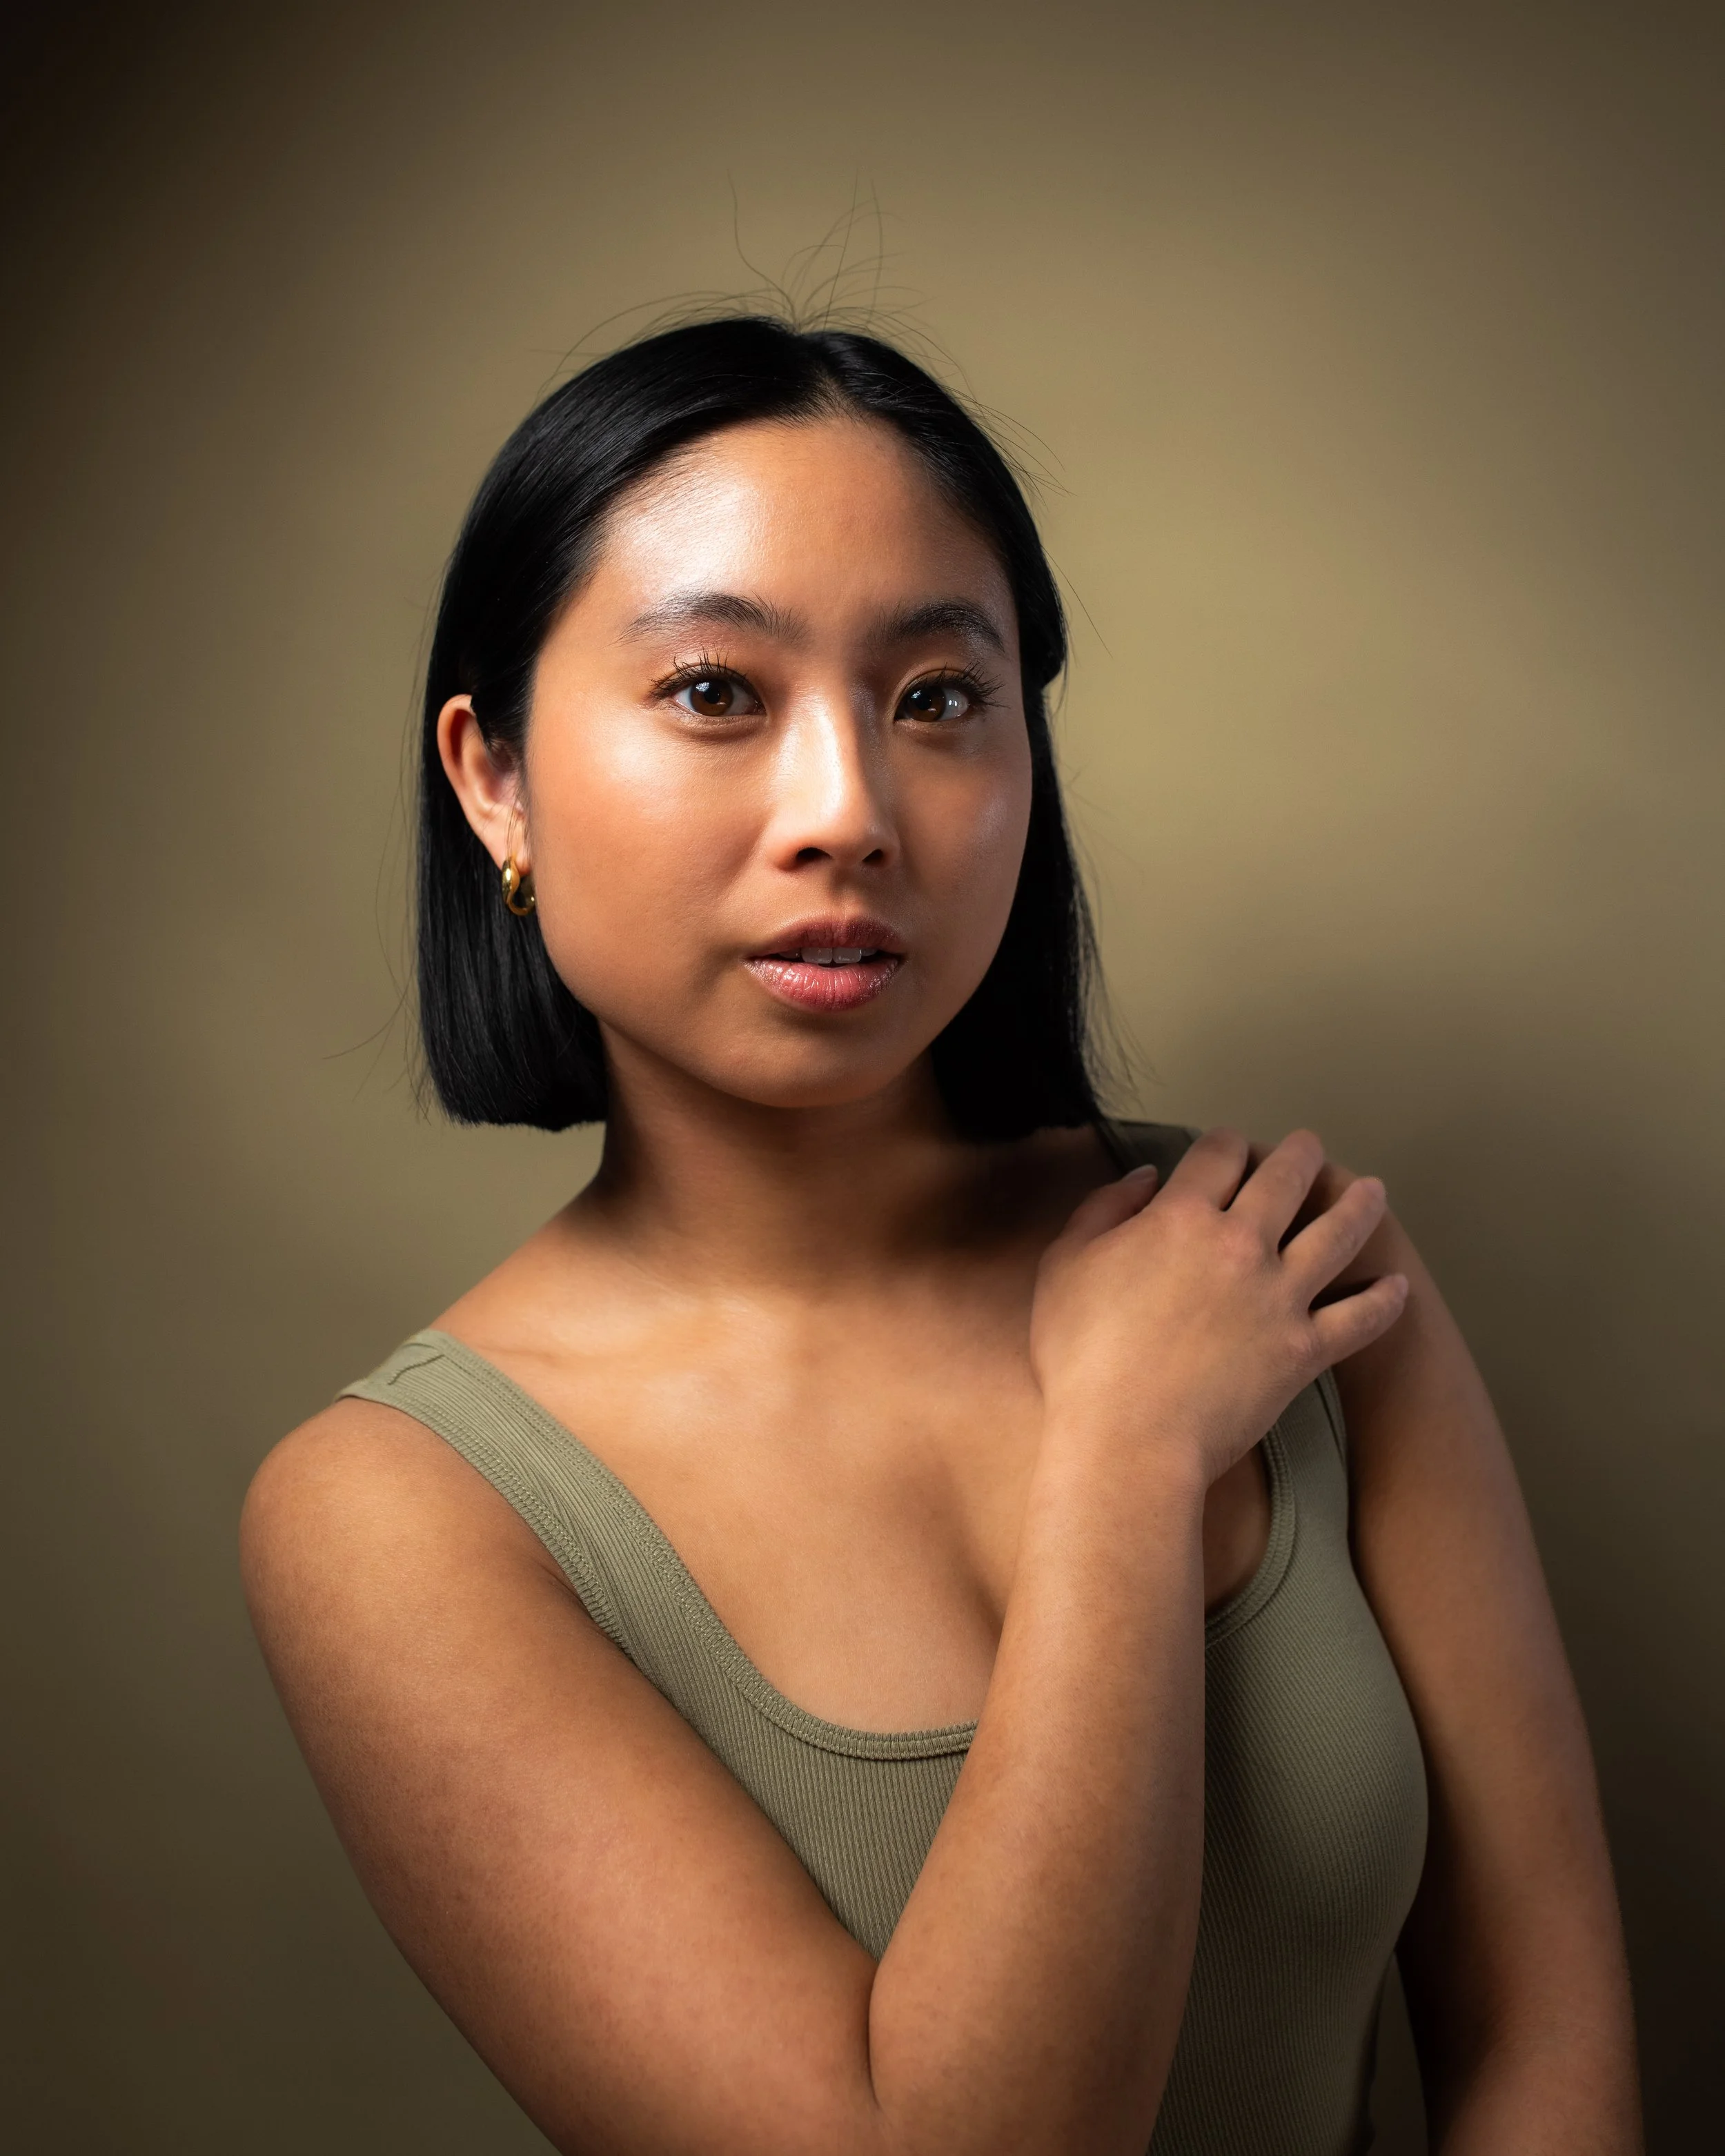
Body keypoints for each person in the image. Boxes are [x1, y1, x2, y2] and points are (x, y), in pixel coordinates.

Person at [241, 316, 1639, 2155]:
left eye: (933, 698)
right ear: (493, 774)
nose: (848, 813)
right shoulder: (399, 1514)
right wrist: (1121, 1459)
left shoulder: (1281, 1270)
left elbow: (1545, 2042)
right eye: (714, 694)